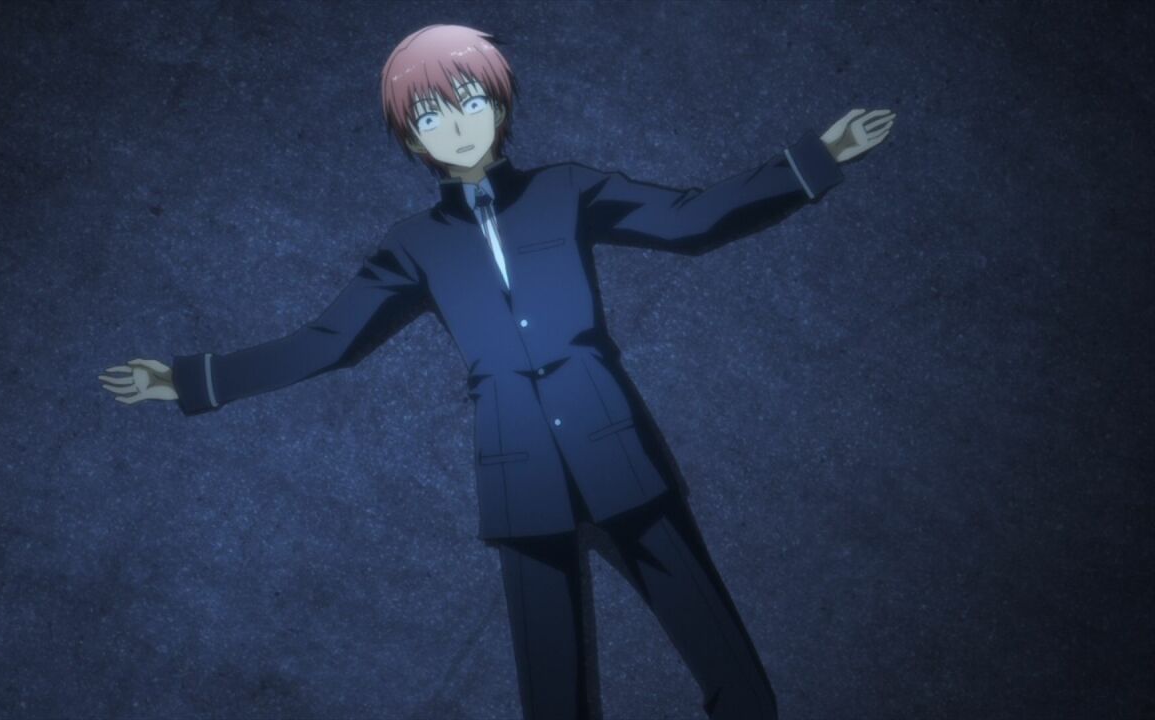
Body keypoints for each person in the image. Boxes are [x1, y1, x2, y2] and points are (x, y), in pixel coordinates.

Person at [99, 23, 894, 720]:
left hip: (614, 444)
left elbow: (689, 220)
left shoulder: (566, 189)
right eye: (431, 116)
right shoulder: (414, 243)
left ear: (501, 106)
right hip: (519, 472)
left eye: (471, 101)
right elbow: (331, 340)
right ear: (411, 138)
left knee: (726, 663)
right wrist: (190, 380)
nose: (456, 126)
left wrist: (814, 159)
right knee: (551, 693)